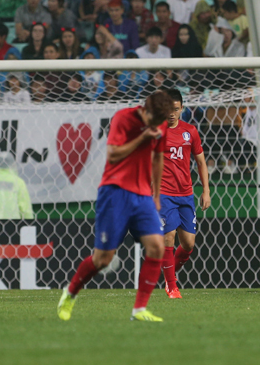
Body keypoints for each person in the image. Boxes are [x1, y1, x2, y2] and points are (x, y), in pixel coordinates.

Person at [57, 91, 174, 322]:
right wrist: (142, 138)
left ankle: (139, 310)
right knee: (103, 260)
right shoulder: (124, 118)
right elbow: (112, 155)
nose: (157, 124)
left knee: (157, 247)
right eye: (153, 119)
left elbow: (159, 157)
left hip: (142, 196)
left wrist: (157, 195)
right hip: (115, 192)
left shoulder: (160, 123)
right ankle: (69, 294)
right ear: (145, 109)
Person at [158, 88, 210, 298]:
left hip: (186, 194)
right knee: (168, 236)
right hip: (164, 194)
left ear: (182, 109)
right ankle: (172, 286)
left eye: (176, 109)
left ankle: (170, 273)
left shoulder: (191, 131)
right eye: (168, 109)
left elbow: (201, 162)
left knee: (188, 244)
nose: (172, 113)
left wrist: (206, 190)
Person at [0, 153, 33, 219]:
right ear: (12, 164)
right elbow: (25, 209)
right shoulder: (18, 182)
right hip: (13, 224)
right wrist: (29, 226)